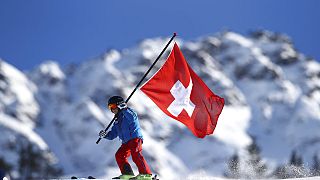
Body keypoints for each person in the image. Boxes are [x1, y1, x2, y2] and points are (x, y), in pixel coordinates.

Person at [99, 96, 152, 180]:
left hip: (135, 139)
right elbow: (113, 134)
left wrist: (125, 109)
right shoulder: (117, 120)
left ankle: (146, 175)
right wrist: (105, 135)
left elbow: (132, 118)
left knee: (136, 154)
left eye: (113, 106)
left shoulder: (129, 112)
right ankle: (127, 174)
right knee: (119, 155)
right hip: (125, 142)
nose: (112, 109)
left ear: (119, 105)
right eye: (110, 107)